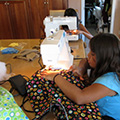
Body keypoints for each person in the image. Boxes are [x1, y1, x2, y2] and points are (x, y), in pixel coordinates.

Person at [41, 33, 120, 120]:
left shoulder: (109, 81)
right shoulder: (107, 66)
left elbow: (80, 97)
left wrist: (56, 77)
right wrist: (80, 69)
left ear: (104, 58)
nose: (88, 55)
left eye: (92, 54)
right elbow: (84, 61)